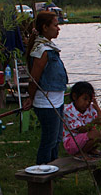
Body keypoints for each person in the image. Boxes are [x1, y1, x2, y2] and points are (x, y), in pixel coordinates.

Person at [23, 10, 68, 165]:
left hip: (57, 99)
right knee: (49, 140)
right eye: (55, 25)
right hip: (46, 102)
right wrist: (30, 97)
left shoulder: (48, 46)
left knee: (56, 139)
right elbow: (34, 79)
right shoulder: (41, 50)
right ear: (45, 27)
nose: (58, 28)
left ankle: (53, 168)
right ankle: (41, 172)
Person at [62, 80, 101, 157]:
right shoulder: (68, 110)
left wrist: (97, 108)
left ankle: (91, 150)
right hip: (72, 142)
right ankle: (80, 153)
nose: (87, 103)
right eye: (85, 99)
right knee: (96, 133)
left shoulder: (90, 108)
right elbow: (81, 129)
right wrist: (94, 122)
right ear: (74, 97)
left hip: (85, 138)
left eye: (90, 100)